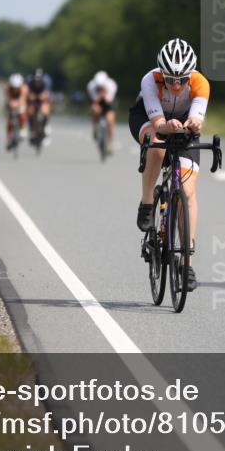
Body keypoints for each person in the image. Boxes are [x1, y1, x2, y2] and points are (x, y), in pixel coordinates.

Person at [128, 38, 210, 291]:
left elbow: (197, 117)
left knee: (188, 193)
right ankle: (147, 202)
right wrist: (165, 126)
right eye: (170, 79)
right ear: (161, 74)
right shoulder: (150, 80)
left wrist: (193, 123)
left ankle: (187, 263)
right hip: (147, 119)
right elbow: (158, 123)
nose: (176, 86)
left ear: (190, 76)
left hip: (183, 123)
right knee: (157, 143)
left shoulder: (200, 83)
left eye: (182, 80)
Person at [87, 70, 118, 151]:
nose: (100, 88)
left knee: (110, 120)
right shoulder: (91, 86)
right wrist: (99, 96)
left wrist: (104, 96)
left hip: (108, 103)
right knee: (94, 109)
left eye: (102, 87)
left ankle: (110, 142)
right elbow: (94, 100)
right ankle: (95, 127)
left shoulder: (111, 85)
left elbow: (109, 100)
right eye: (99, 87)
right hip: (97, 102)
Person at [25, 69, 53, 141]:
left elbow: (47, 94)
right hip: (33, 99)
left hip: (43, 99)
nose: (38, 81)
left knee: (45, 110)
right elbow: (26, 92)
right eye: (36, 79)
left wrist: (43, 96)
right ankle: (32, 129)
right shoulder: (30, 82)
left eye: (39, 79)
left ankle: (44, 126)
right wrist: (30, 96)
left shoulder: (46, 82)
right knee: (30, 111)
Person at [4, 73, 27, 147]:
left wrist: (19, 104)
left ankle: (22, 130)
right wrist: (10, 103)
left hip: (20, 103)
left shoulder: (24, 88)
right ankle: (8, 136)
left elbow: (23, 98)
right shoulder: (7, 88)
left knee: (22, 114)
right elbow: (7, 98)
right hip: (11, 103)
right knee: (9, 119)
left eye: (17, 87)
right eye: (14, 87)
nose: (15, 89)